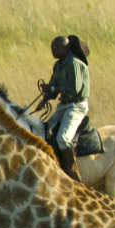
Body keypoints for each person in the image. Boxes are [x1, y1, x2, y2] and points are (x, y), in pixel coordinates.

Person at [39, 35, 90, 182]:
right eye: (52, 48)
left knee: (63, 139)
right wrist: (45, 99)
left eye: (57, 48)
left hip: (76, 106)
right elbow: (53, 86)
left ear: (66, 48)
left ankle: (73, 176)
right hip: (63, 106)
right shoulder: (58, 65)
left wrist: (53, 88)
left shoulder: (74, 63)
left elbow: (74, 89)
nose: (53, 51)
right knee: (44, 132)